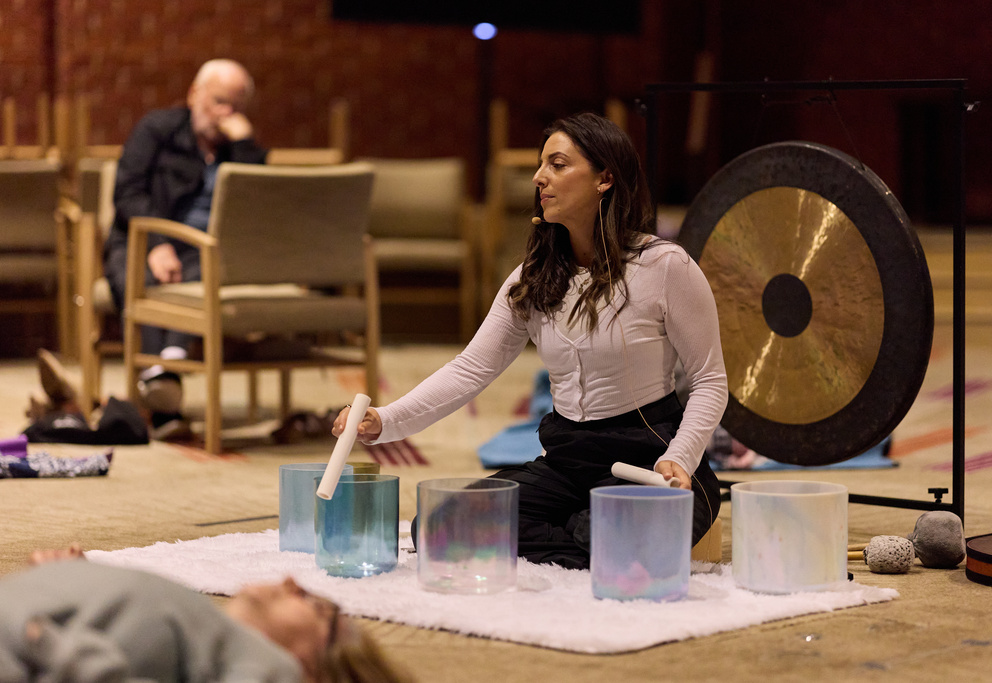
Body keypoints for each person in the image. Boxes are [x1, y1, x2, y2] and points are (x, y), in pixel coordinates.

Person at [333, 112, 729, 569]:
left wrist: (680, 457)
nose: (540, 177)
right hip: (568, 462)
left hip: (653, 464)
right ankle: (591, 537)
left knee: (597, 536)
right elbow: (470, 370)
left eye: (558, 164)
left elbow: (709, 380)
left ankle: (598, 535)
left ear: (605, 178)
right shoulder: (533, 278)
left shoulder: (665, 267)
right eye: (542, 166)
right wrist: (385, 421)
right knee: (438, 529)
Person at [103, 58, 267, 437]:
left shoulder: (239, 147)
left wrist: (243, 143)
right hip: (141, 238)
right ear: (195, 94)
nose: (226, 114)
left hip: (206, 250)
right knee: (142, 279)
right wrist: (157, 244)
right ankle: (167, 376)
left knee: (202, 272)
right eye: (219, 102)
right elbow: (127, 193)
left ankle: (165, 377)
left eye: (236, 107)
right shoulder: (156, 129)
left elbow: (257, 203)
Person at [0, 545, 409, 683]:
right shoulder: (212, 638)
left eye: (317, 607)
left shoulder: (273, 669)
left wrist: (44, 640)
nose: (291, 580)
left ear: (314, 670)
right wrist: (75, 580)